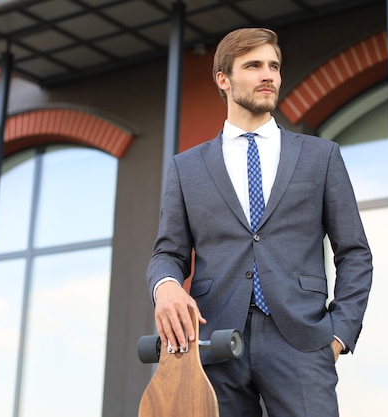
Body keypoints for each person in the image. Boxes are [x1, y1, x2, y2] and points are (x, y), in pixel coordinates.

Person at [146, 27, 372, 417]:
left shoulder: (321, 157)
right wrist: (165, 288)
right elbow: (168, 252)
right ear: (223, 79)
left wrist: (338, 335)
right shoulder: (187, 168)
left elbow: (354, 253)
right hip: (215, 345)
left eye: (274, 66)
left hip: (302, 341)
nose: (268, 75)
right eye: (253, 66)